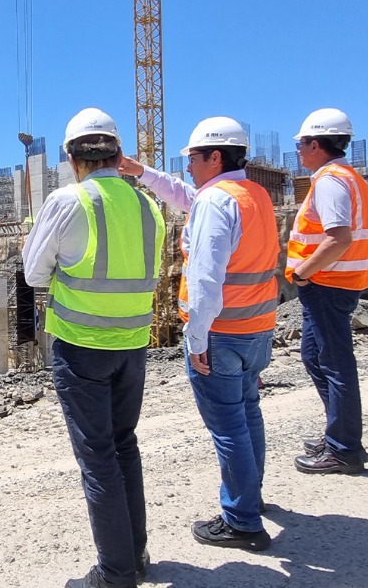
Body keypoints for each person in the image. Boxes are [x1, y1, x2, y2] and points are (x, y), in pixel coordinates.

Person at [118, 116, 279, 552]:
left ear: (214, 156)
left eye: (192, 157)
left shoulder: (216, 203)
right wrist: (144, 173)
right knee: (247, 414)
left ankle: (242, 520)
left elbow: (206, 280)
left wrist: (196, 339)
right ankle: (251, 497)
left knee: (228, 427)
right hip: (258, 328)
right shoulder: (252, 195)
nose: (187, 164)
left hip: (221, 333)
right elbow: (188, 198)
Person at [23, 107, 165, 588]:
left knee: (98, 458)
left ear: (71, 157)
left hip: (82, 347)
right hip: (134, 345)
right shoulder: (149, 206)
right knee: (124, 446)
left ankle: (116, 574)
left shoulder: (69, 202)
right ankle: (136, 555)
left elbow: (33, 273)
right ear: (119, 154)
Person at [286, 108, 368, 475]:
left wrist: (303, 273)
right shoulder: (346, 177)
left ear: (317, 144)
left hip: (328, 284)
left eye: (302, 143)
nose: (298, 151)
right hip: (332, 284)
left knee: (336, 365)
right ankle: (338, 433)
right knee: (315, 358)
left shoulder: (330, 181)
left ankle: (344, 449)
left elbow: (338, 238)